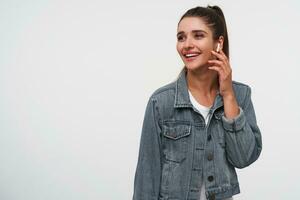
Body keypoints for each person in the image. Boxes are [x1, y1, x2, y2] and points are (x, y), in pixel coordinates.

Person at [132, 5, 262, 200]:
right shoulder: (161, 102)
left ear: (218, 43)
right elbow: (146, 176)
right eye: (181, 37)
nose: (187, 44)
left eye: (198, 35)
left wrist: (227, 95)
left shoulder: (240, 95)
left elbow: (243, 158)